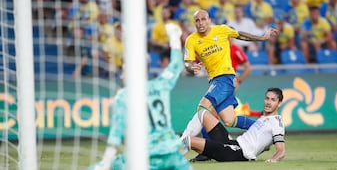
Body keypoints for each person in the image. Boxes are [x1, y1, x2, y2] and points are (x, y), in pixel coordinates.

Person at [87, 23, 192, 170]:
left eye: (124, 70)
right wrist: (174, 40)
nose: (122, 75)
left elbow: (116, 136)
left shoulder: (124, 96)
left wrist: (105, 162)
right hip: (172, 154)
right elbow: (176, 65)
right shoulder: (160, 85)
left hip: (145, 158)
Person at [181, 9, 277, 144]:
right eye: (197, 20)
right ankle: (265, 128)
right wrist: (192, 68)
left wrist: (262, 38)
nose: (201, 23)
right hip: (214, 80)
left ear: (209, 20)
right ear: (194, 23)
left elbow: (241, 35)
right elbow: (187, 63)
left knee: (203, 108)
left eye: (203, 19)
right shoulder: (191, 40)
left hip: (226, 77)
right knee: (229, 120)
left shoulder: (222, 30)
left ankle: (182, 144)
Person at [182, 87, 286, 163]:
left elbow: (281, 151)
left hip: (236, 153)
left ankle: (170, 158)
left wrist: (273, 160)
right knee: (203, 113)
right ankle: (204, 152)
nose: (268, 102)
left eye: (273, 100)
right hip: (232, 143)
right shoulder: (264, 118)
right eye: (267, 98)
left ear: (279, 103)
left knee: (188, 140)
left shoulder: (277, 123)